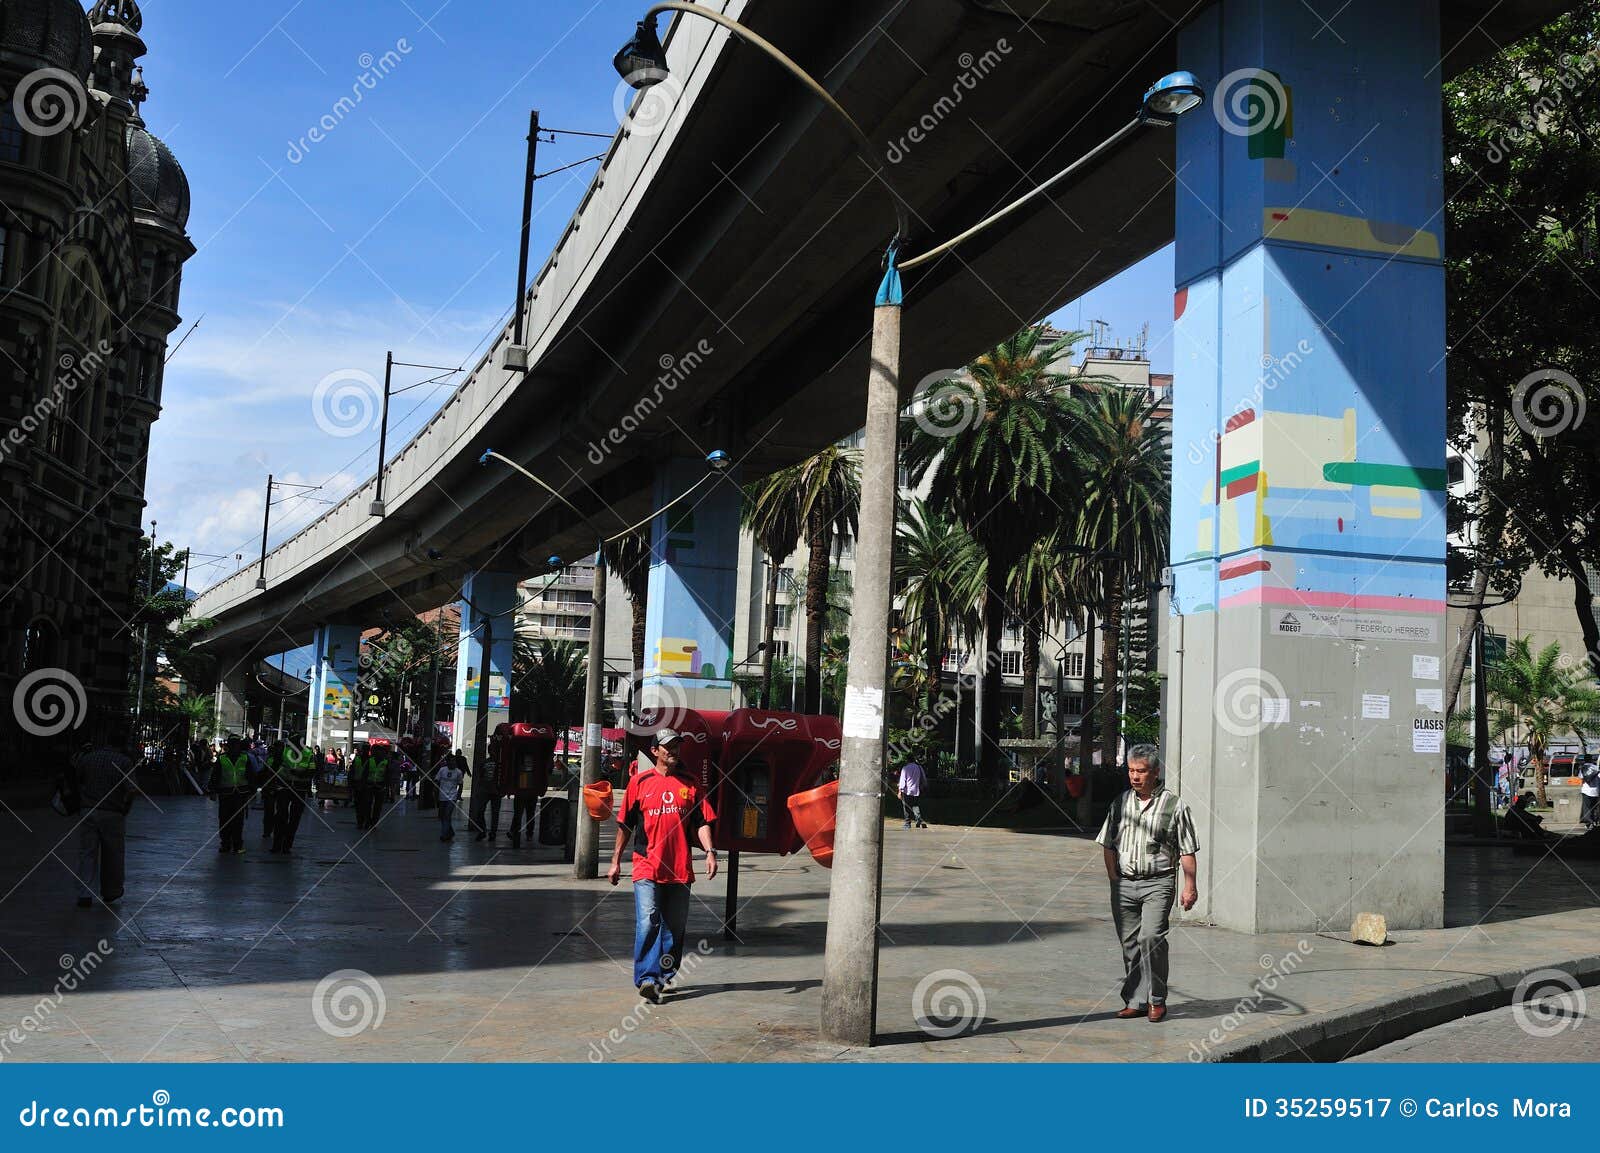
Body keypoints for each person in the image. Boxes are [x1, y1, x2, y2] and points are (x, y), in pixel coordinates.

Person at [607, 728, 718, 1003]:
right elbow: (625, 825)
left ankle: (662, 976)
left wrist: (710, 852)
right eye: (668, 746)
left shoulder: (690, 784)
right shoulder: (639, 782)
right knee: (648, 921)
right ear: (655, 751)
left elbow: (702, 821)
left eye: (677, 746)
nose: (674, 751)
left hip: (680, 868)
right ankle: (646, 977)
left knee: (675, 928)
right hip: (646, 866)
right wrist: (615, 862)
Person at [1095, 744, 1199, 1023]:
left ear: (1155, 772)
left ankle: (1157, 999)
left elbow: (1187, 850)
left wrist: (1190, 886)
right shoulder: (1120, 803)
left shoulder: (1174, 806)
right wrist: (1113, 879)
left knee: (1151, 938)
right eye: (1131, 771)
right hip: (1124, 884)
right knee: (1130, 944)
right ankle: (1136, 1000)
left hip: (1159, 882)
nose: (1135, 776)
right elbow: (1107, 844)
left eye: (1141, 771)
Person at [70, 722, 135, 908]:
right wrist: (125, 808)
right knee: (113, 854)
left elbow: (77, 779)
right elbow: (131, 790)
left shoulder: (89, 758)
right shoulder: (124, 762)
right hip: (113, 813)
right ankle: (111, 891)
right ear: (122, 744)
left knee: (87, 853)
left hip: (88, 810)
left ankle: (84, 894)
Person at [272, 739, 318, 854]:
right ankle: (277, 844)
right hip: (284, 787)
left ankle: (287, 845)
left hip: (300, 789)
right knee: (281, 815)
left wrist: (300, 774)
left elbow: (313, 770)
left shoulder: (308, 754)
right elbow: (274, 766)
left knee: (295, 818)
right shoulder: (284, 752)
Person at [209, 735, 253, 854]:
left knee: (238, 820)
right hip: (225, 794)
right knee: (224, 820)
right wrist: (212, 790)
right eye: (232, 744)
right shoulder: (222, 758)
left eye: (236, 744)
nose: (234, 747)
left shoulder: (245, 758)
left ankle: (237, 845)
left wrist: (251, 791)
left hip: (240, 793)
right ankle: (225, 844)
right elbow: (215, 775)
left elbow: (251, 775)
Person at [472, 753, 501, 842]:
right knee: (482, 811)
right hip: (487, 790)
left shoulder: (498, 763)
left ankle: (490, 832)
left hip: (494, 790)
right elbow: (480, 776)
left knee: (492, 812)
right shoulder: (486, 762)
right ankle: (485, 831)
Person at [435, 755, 464, 841]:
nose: (453, 763)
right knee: (443, 816)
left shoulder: (458, 772)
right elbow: (437, 780)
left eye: (454, 761)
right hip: (442, 796)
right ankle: (450, 831)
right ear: (447, 762)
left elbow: (460, 784)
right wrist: (435, 792)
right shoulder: (442, 770)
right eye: (451, 761)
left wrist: (458, 795)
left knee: (447, 815)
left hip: (452, 797)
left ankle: (444, 834)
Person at [897, 759, 927, 829]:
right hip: (916, 790)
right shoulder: (919, 767)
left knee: (906, 807)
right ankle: (918, 818)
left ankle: (907, 823)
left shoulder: (905, 768)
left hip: (907, 791)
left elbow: (902, 780)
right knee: (915, 805)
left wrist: (900, 791)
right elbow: (923, 778)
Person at [1580, 759, 1600, 829]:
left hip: (1586, 791)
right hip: (1596, 791)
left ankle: (1588, 823)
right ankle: (1595, 821)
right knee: (1595, 808)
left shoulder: (1583, 768)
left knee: (1587, 808)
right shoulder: (1596, 768)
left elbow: (1581, 779)